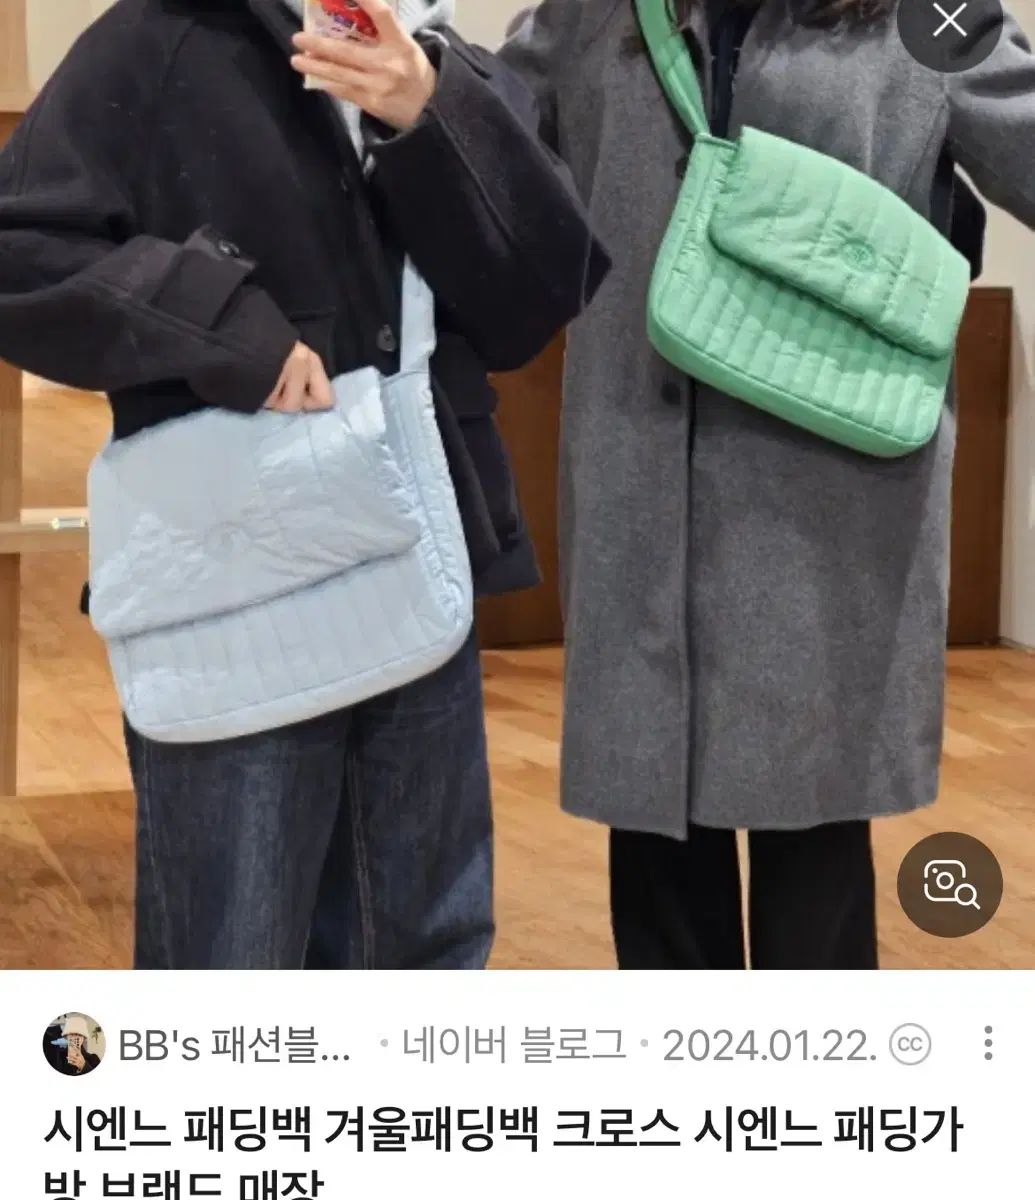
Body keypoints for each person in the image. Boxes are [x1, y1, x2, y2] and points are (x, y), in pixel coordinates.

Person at [0, 0, 608, 970]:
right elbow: (21, 255)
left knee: (424, 951)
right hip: (234, 584)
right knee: (234, 955)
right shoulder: (160, 41)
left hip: (420, 567)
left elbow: (536, 299)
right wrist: (223, 323)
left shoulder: (441, 59)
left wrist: (433, 115)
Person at [502, 0, 1035, 969]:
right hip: (641, 492)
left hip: (827, 517)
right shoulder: (594, 13)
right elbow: (493, 143)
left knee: (814, 876)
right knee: (659, 863)